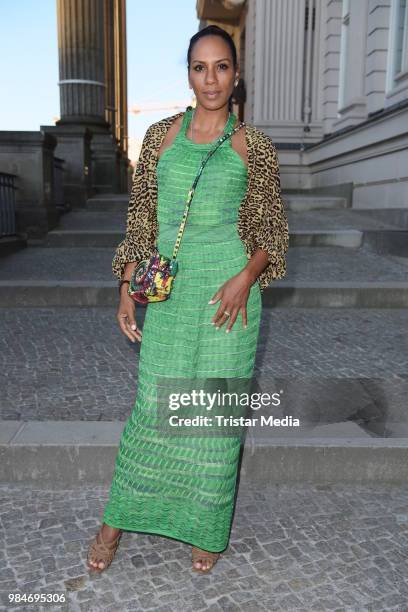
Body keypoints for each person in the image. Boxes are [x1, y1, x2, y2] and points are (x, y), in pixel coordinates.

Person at [87, 24, 289, 574]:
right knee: (154, 405)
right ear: (189, 74)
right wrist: (127, 286)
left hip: (229, 296)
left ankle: (206, 523)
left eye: (222, 67)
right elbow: (141, 221)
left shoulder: (254, 146)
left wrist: (245, 278)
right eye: (201, 67)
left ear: (237, 75)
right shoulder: (160, 137)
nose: (211, 79)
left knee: (213, 414)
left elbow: (272, 233)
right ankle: (116, 520)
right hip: (171, 294)